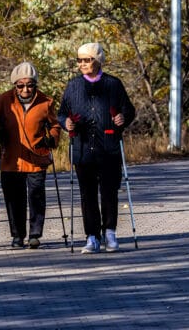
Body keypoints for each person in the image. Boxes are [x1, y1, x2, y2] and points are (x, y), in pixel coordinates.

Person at [58, 43, 135, 253]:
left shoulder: (113, 84)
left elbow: (128, 110)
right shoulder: (73, 86)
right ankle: (92, 236)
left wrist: (122, 118)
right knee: (87, 194)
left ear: (98, 60)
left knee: (109, 191)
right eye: (80, 60)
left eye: (87, 60)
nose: (83, 64)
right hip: (83, 149)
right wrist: (66, 123)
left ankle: (110, 232)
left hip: (109, 147)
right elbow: (62, 113)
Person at [0, 62, 62, 249]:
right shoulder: (4, 100)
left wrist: (51, 139)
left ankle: (35, 234)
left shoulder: (46, 101)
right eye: (20, 85)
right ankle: (17, 235)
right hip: (11, 159)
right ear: (15, 85)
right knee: (14, 199)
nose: (25, 89)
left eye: (29, 85)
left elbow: (55, 125)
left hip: (37, 158)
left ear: (35, 84)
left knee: (36, 196)